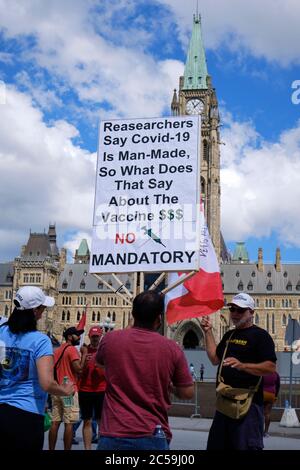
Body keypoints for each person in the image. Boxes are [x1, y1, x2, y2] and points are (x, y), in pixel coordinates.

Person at [96, 290, 194, 450]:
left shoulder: (110, 340)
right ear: (159, 318)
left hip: (113, 433)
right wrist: (170, 387)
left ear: (133, 315)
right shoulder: (172, 348)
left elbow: (100, 364)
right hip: (152, 432)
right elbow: (187, 393)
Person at [0, 286, 74, 450]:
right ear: (34, 311)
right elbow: (47, 383)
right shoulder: (40, 340)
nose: (43, 312)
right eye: (42, 308)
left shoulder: (1, 331)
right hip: (26, 414)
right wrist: (65, 390)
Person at [201, 292, 277, 450]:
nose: (235, 314)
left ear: (251, 313)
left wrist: (242, 366)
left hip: (247, 407)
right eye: (232, 309)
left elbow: (270, 367)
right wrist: (207, 332)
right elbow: (215, 359)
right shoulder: (229, 334)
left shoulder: (261, 336)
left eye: (240, 310)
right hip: (224, 403)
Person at [48, 326, 84, 450]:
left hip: (56, 389)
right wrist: (84, 355)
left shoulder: (57, 350)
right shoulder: (72, 349)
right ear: (69, 337)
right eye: (76, 335)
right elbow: (78, 369)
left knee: (55, 422)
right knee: (69, 424)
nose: (78, 337)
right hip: (69, 390)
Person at [78, 326, 106, 449]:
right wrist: (84, 356)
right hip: (85, 390)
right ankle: (87, 448)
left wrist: (100, 367)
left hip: (101, 389)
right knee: (87, 420)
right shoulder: (84, 351)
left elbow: (110, 370)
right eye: (93, 336)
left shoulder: (104, 352)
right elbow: (79, 371)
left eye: (97, 336)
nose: (95, 338)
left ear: (101, 337)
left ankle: (101, 447)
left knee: (101, 422)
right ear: (89, 337)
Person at [263, 371, 280, 437]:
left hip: (262, 394)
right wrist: (275, 396)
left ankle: (259, 431)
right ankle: (266, 432)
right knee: (267, 413)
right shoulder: (275, 374)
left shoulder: (262, 372)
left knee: (260, 413)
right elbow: (278, 386)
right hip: (271, 394)